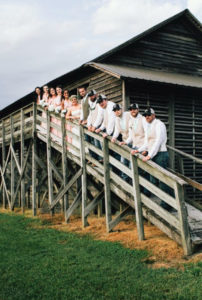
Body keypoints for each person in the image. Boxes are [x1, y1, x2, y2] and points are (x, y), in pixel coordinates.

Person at [133, 107, 171, 209]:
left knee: (162, 179)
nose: (147, 117)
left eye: (149, 115)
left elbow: (158, 141)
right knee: (154, 179)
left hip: (161, 154)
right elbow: (147, 142)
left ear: (154, 115)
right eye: (145, 115)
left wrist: (150, 155)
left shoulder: (159, 124)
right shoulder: (148, 126)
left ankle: (167, 204)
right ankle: (166, 200)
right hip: (154, 154)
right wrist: (139, 150)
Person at [86, 90, 104, 162]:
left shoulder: (99, 102)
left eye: (92, 95)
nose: (91, 97)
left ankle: (102, 158)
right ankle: (98, 159)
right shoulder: (91, 103)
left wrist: (95, 126)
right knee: (95, 143)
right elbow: (90, 115)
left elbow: (100, 116)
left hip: (99, 126)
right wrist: (89, 125)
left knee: (100, 143)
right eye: (90, 96)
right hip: (93, 126)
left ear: (96, 95)